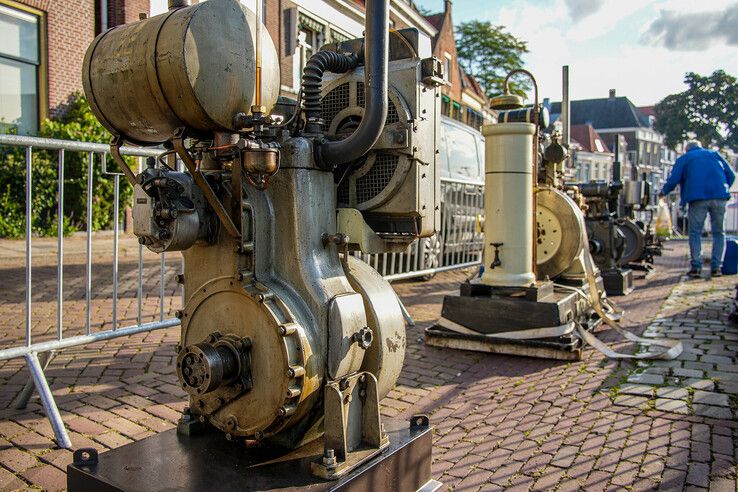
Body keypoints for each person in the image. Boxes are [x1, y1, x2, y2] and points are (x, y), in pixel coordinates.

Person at [660, 141, 736, 278]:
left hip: (697, 198)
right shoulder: (715, 154)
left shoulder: (685, 158)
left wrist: (663, 192)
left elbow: (674, 179)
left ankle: (696, 267)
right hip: (720, 197)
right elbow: (731, 174)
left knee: (695, 233)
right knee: (719, 233)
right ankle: (717, 267)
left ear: (686, 149)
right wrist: (723, 188)